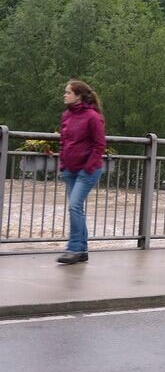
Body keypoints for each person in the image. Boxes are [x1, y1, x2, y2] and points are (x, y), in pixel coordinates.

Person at [56, 80, 107, 265]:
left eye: (68, 92)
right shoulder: (66, 116)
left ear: (78, 96)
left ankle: (74, 248)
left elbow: (99, 144)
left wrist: (88, 166)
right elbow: (63, 141)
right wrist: (63, 163)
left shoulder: (92, 117)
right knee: (76, 208)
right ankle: (82, 249)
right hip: (70, 169)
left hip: (87, 171)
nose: (65, 95)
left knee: (74, 206)